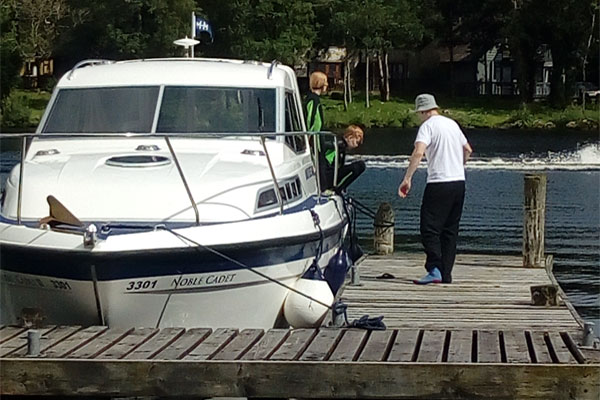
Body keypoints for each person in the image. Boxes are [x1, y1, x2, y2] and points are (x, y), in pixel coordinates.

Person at [398, 94, 473, 285]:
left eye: (419, 114)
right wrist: (458, 165)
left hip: (439, 183)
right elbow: (468, 150)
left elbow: (418, 152)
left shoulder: (428, 126)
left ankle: (434, 268)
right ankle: (445, 274)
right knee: (450, 230)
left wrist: (407, 178)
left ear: (423, 111)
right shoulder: (452, 124)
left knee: (429, 227)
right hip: (458, 182)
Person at [321, 124, 366, 193]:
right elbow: (325, 148)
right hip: (327, 175)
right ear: (350, 137)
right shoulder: (338, 145)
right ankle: (340, 189)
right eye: (357, 142)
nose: (357, 146)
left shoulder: (342, 147)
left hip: (332, 174)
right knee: (360, 166)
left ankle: (341, 188)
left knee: (360, 166)